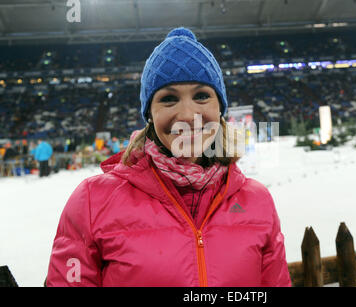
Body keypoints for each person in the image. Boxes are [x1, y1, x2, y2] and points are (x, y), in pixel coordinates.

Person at [45, 27, 291, 287]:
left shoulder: (257, 201)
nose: (187, 114)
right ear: (149, 115)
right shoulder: (93, 202)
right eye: (168, 99)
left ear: (220, 108)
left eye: (201, 96)